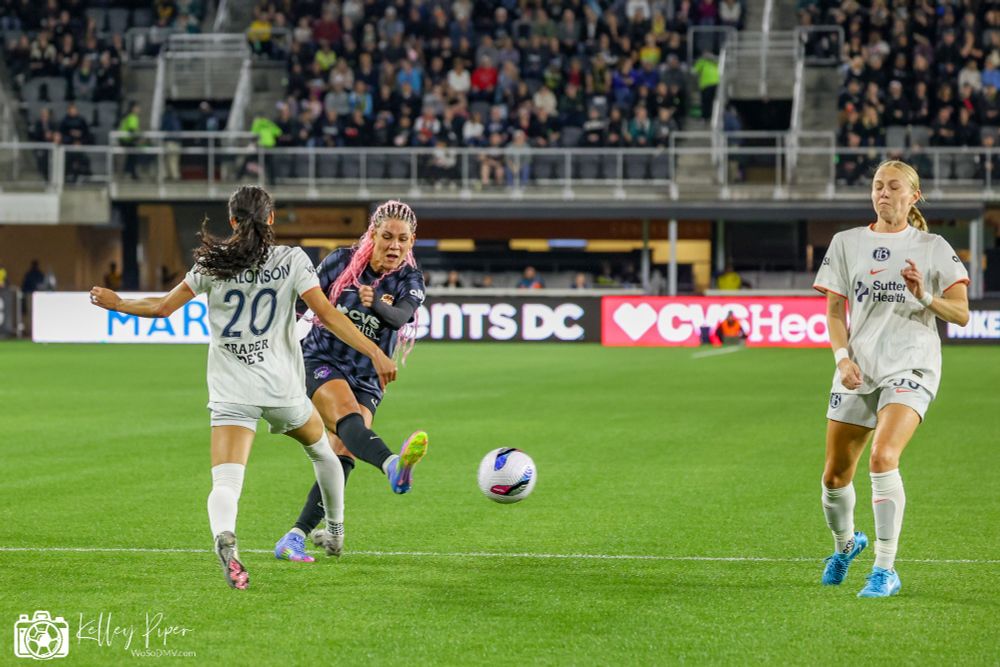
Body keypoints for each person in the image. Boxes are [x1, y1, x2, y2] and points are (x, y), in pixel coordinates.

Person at [89, 186, 398, 589]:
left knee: (226, 482)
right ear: (271, 219)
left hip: (231, 391)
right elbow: (326, 315)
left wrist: (118, 303)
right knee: (323, 452)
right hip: (282, 390)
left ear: (232, 220)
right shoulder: (291, 260)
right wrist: (375, 351)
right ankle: (335, 531)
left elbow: (162, 308)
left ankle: (226, 539)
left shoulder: (210, 264)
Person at [812, 160, 969, 598]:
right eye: (877, 186)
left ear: (912, 196)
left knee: (883, 456)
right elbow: (832, 312)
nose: (883, 193)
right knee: (834, 476)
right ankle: (846, 545)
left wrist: (923, 295)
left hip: (911, 365)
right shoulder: (847, 243)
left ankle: (885, 568)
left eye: (893, 187)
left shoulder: (933, 246)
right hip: (859, 367)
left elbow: (961, 312)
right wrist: (842, 359)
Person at [274, 200, 429, 561]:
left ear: (412, 241)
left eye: (403, 239)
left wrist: (374, 304)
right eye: (387, 236)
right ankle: (393, 465)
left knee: (343, 449)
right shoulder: (340, 263)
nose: (394, 246)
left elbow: (397, 318)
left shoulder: (410, 279)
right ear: (372, 235)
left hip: (367, 377)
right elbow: (300, 303)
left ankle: (296, 536)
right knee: (348, 419)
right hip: (321, 359)